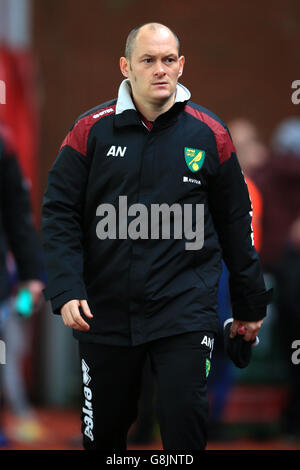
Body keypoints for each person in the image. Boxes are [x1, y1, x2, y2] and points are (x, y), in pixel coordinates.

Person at [42, 22, 271, 451]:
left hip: (184, 313)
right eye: (148, 60)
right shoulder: (89, 131)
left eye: (168, 60)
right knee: (104, 441)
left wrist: (249, 305)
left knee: (184, 431)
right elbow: (59, 213)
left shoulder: (211, 135)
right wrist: (66, 286)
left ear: (181, 66)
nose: (159, 70)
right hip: (103, 313)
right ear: (127, 67)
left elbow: (238, 225)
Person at [0, 120, 44, 445]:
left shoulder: (3, 146)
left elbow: (19, 216)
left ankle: (21, 416)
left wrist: (30, 280)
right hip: (13, 306)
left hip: (10, 303)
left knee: (9, 360)